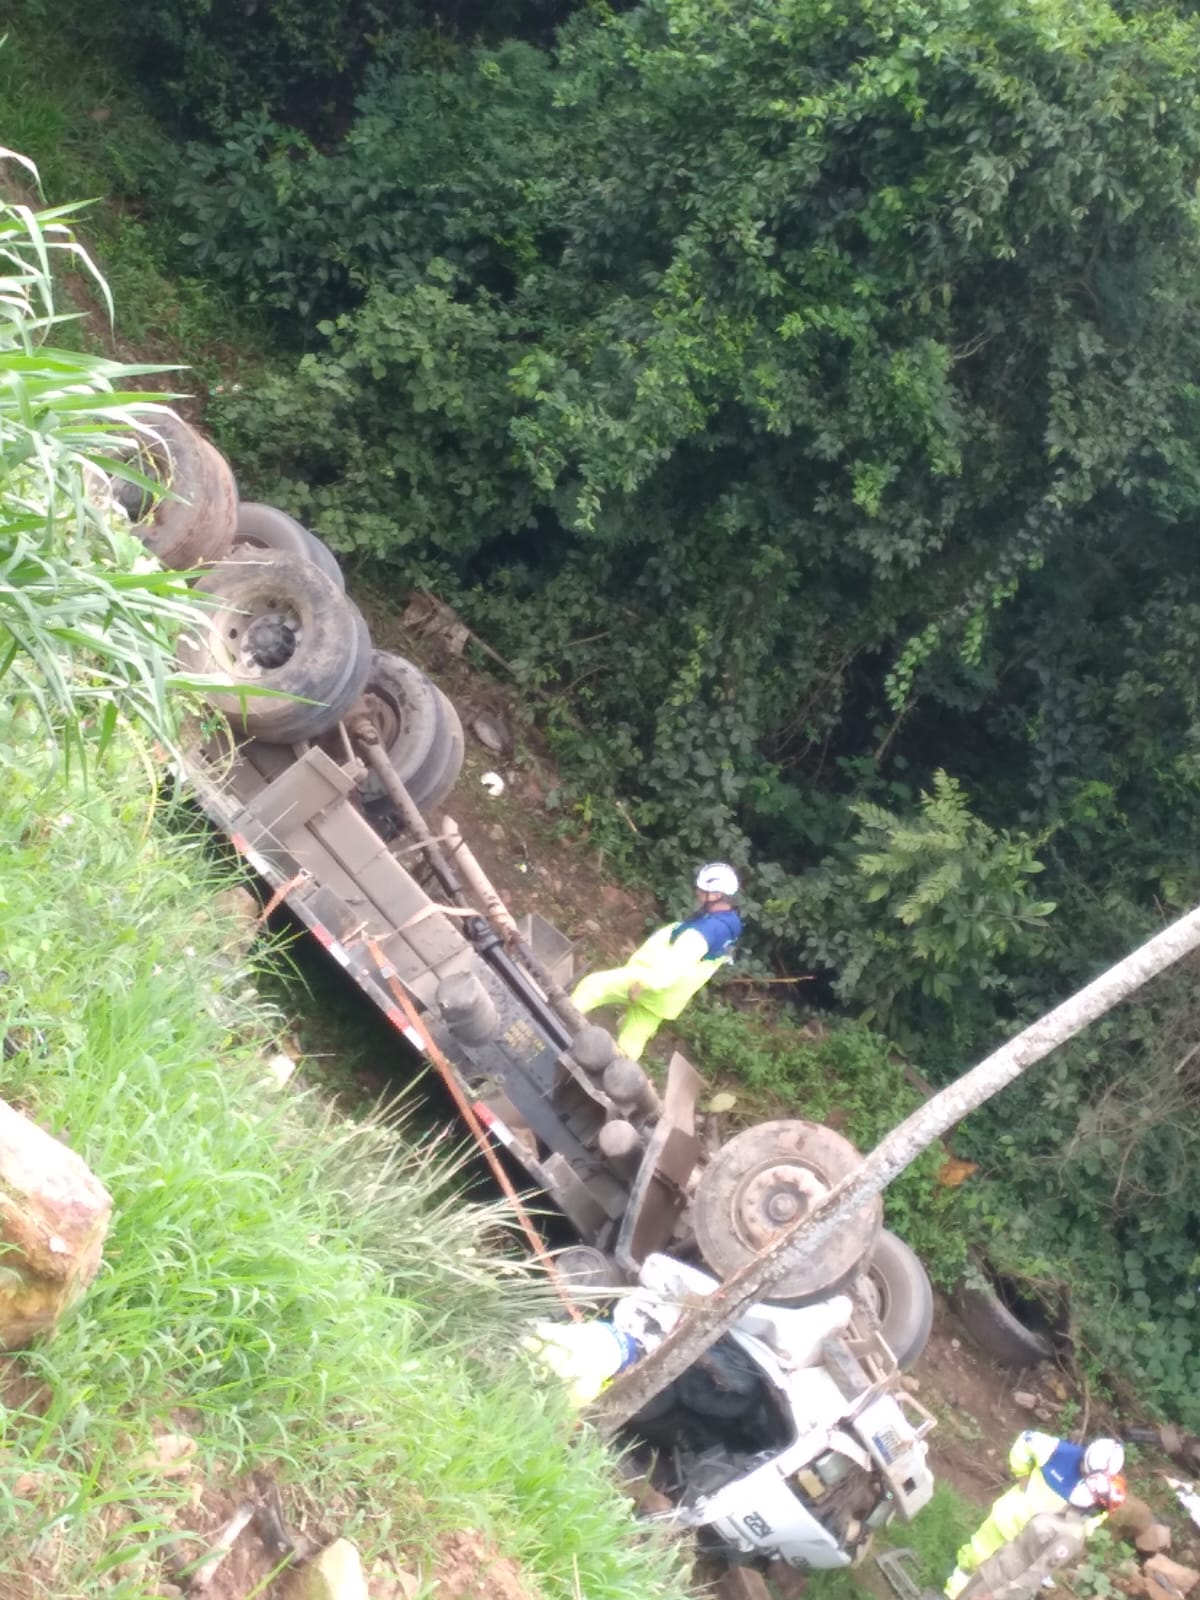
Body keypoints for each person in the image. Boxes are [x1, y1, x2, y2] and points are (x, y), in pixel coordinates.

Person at [571, 862, 743, 1061]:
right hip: (669, 997)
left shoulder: (708, 930)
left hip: (654, 982)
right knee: (633, 1038)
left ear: (717, 895)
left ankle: (557, 1026)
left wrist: (645, 983)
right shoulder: (730, 924)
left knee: (593, 987)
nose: (697, 892)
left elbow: (678, 963)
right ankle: (613, 1080)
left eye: (702, 890)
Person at [944, 1433, 1126, 1598]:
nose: (1084, 1473)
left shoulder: (1101, 1493)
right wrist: (1022, 1475)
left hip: (1036, 1543)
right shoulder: (1059, 1451)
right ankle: (951, 1593)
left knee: (1001, 1582)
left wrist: (1072, 1536)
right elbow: (1026, 1440)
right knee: (975, 1559)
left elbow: (1095, 1519)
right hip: (1010, 1520)